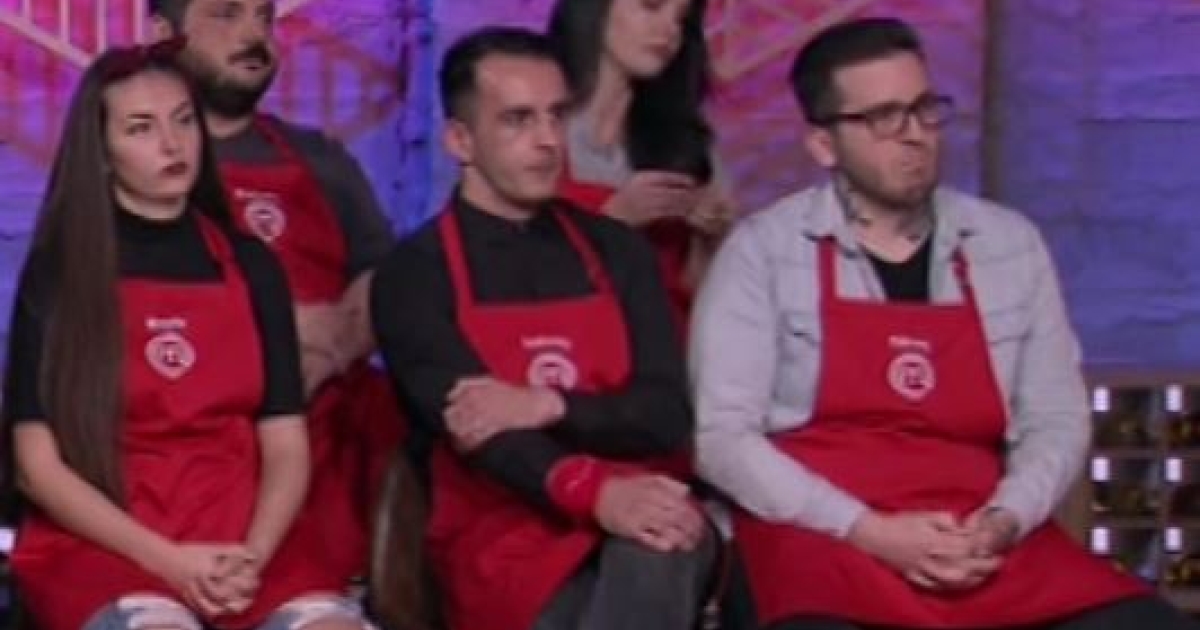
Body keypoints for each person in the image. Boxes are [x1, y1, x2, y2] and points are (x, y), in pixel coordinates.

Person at [690, 17, 1198, 630]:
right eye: (884, 118)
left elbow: (1056, 419)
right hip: (826, 537)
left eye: (924, 109)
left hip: (979, 536)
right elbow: (722, 440)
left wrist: (1004, 520)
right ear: (824, 144)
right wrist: (869, 530)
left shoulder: (1009, 245)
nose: (915, 135)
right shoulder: (763, 251)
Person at [3, 43, 369, 630]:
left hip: (245, 541)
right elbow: (36, 467)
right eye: (141, 128)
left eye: (183, 121)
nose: (172, 145)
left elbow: (285, 444)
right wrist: (171, 563)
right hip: (112, 545)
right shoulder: (58, 275)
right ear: (102, 153)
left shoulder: (254, 266)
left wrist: (252, 557)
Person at [371, 26, 715, 630]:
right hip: (502, 531)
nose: (548, 140)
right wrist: (593, 491)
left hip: (645, 499)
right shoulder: (415, 273)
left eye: (556, 115)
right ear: (459, 140)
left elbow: (664, 413)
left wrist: (548, 404)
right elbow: (480, 433)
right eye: (518, 120)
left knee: (659, 543)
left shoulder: (619, 250)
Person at [148, 0, 405, 592]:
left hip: (326, 424)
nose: (254, 35)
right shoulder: (132, 165)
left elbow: (381, 278)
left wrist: (331, 346)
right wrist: (266, 346)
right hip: (189, 428)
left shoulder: (320, 159)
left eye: (264, 17)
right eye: (226, 15)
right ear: (163, 34)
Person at [547, 0, 734, 330]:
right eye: (651, 6)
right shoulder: (538, 127)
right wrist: (615, 220)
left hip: (660, 348)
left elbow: (703, 298)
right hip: (555, 345)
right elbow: (501, 269)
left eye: (681, 20)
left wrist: (709, 240)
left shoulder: (687, 142)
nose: (668, 31)